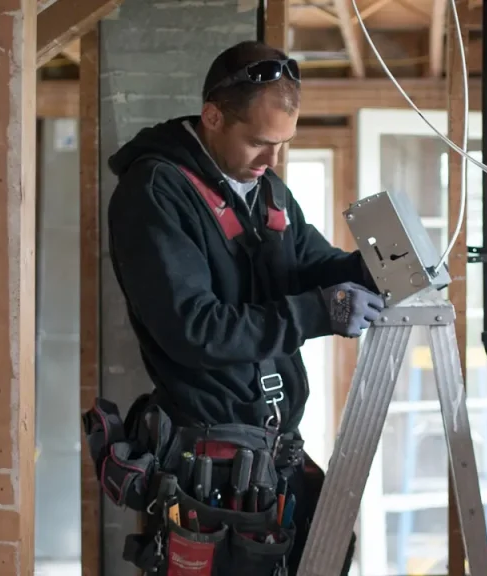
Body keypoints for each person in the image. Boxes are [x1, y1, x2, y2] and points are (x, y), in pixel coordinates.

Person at [102, 40, 385, 575]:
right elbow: (194, 329)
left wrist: (369, 270)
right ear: (212, 117)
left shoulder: (266, 192)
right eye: (259, 142)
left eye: (282, 144)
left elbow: (310, 265)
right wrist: (317, 313)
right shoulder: (155, 193)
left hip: (272, 455)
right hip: (211, 470)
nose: (272, 159)